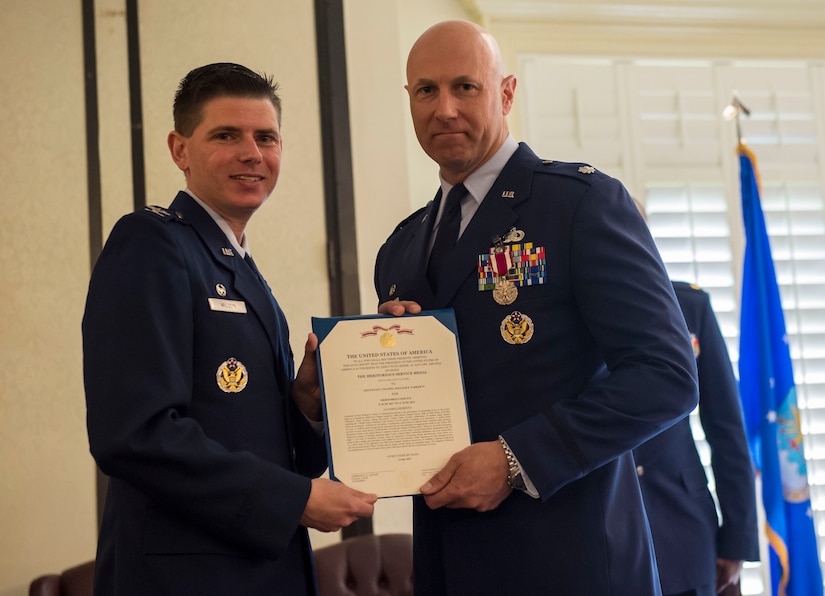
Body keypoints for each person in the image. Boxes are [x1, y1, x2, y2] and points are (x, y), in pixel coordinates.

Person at [374, 20, 700, 595]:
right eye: (426, 90)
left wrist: (514, 458)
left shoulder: (580, 205)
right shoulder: (401, 247)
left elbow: (667, 377)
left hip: (570, 555)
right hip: (447, 560)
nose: (444, 108)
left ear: (505, 93)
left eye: (465, 87)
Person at [82, 62, 376, 595]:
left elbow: (246, 430)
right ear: (180, 150)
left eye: (266, 137)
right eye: (226, 135)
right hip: (187, 577)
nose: (252, 153)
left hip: (259, 568)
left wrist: (304, 403)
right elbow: (133, 433)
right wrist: (296, 499)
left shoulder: (239, 266)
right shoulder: (151, 244)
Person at [633, 200, 760, 596]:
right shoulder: (565, 310)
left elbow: (726, 429)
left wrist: (737, 539)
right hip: (602, 529)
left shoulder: (689, 306)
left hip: (684, 526)